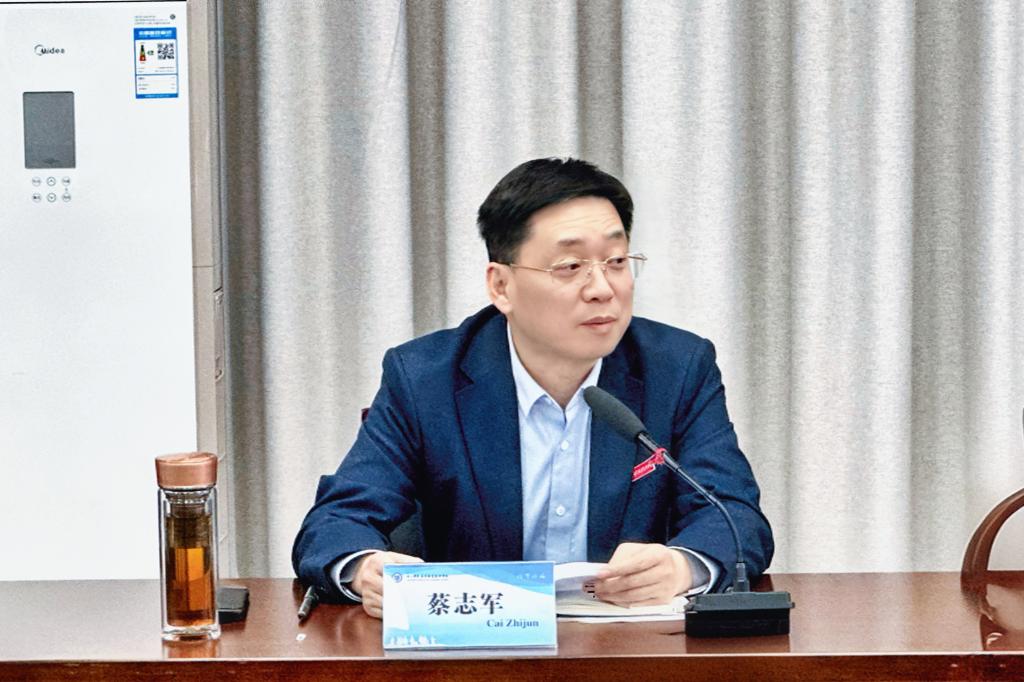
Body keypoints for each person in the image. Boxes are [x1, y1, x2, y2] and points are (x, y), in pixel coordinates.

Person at [293, 157, 774, 619]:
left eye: (616, 260)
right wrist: (366, 569)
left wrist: (682, 567)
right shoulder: (425, 379)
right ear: (501, 286)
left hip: (626, 650)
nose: (602, 288)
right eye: (570, 267)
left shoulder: (678, 369)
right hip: (476, 653)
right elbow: (336, 522)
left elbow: (735, 516)